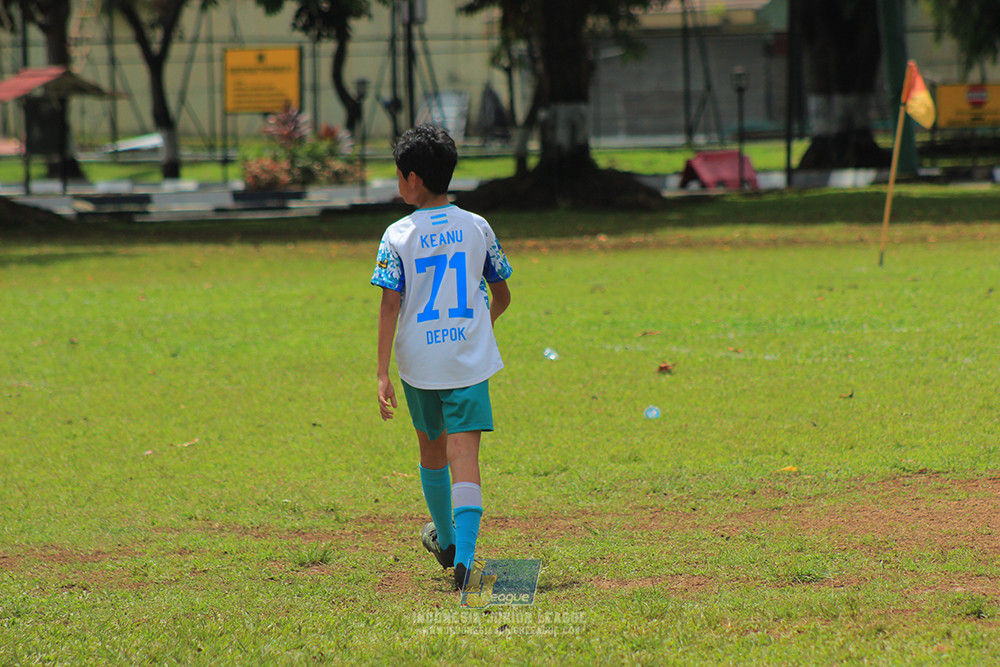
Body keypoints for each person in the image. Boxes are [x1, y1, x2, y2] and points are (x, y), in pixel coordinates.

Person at [371, 124, 513, 591]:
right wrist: (478, 330)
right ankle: (467, 558)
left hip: (418, 363)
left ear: (411, 178)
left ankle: (447, 542)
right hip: (466, 361)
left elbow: (389, 304)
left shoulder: (397, 234)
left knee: (432, 451)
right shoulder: (478, 226)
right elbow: (503, 293)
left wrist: (381, 372)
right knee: (464, 454)